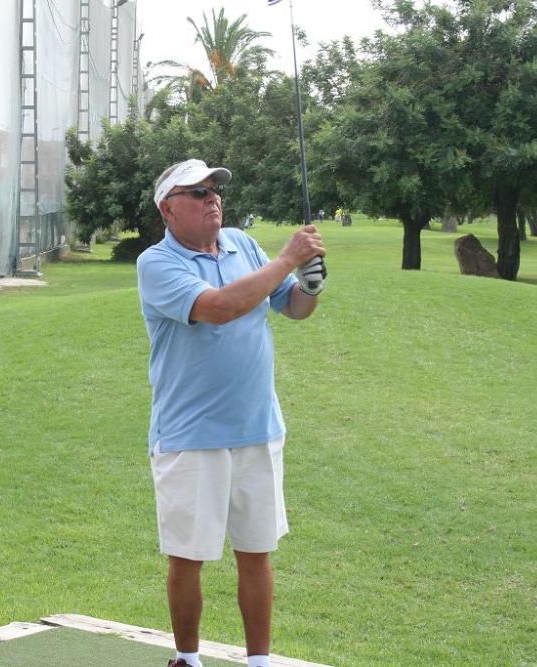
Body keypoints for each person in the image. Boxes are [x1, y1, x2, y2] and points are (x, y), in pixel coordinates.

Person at [136, 159, 326, 667]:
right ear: (168, 209)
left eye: (214, 188)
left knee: (257, 551)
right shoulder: (157, 263)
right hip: (190, 435)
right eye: (196, 192)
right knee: (188, 556)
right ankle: (187, 658)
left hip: (258, 427)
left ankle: (259, 662)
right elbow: (219, 306)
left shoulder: (244, 244)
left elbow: (292, 308)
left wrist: (309, 283)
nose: (212, 197)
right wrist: (288, 260)